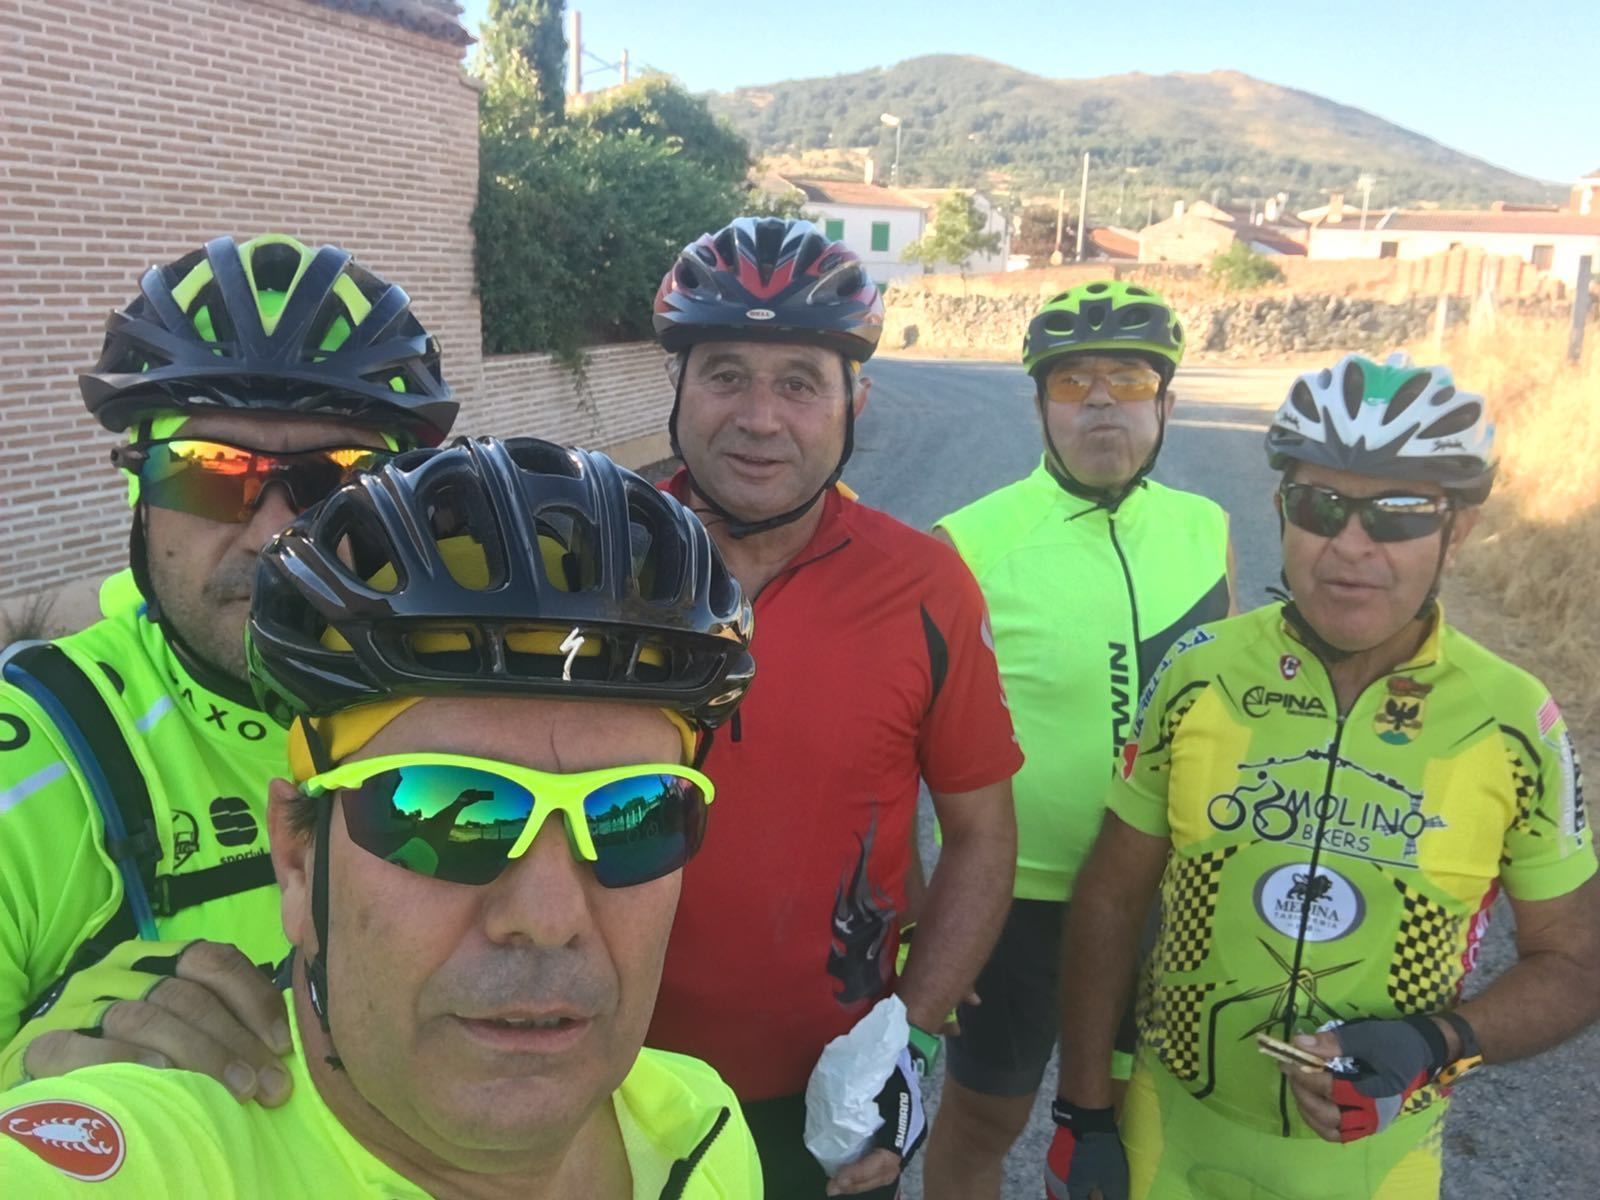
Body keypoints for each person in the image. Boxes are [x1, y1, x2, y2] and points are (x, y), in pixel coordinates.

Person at [0, 435, 764, 1197]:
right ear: (296, 862)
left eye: (634, 814)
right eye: (445, 817)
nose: (547, 918)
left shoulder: (706, 1131)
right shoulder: (150, 1164)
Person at [1046, 353, 1600, 1200]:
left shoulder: (1515, 723)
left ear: (1459, 532)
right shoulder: (1197, 674)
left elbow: (1575, 962)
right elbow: (1111, 898)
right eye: (1320, 506)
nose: (1350, 545)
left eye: (1399, 514)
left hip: (1377, 1166)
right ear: (1281, 511)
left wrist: (1436, 1042)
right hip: (1171, 1138)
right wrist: (1083, 1113)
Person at [0, 235, 456, 1100]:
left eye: (335, 482)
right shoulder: (29, 763)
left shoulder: (470, 710)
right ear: (138, 493)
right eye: (208, 473)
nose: (273, 533)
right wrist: (28, 1085)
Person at [645, 216, 1022, 1199]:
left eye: (800, 382)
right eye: (726, 374)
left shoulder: (926, 587)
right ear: (675, 385)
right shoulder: (592, 561)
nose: (760, 417)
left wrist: (913, 1039)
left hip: (827, 1106)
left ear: (856, 400)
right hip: (613, 1086)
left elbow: (983, 835)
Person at [923, 281, 1233, 1198]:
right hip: (1013, 901)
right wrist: (918, 909)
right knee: (984, 1121)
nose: (1101, 401)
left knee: (1131, 1125)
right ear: (1040, 407)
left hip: (1164, 894)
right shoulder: (968, 543)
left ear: (1167, 403)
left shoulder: (1207, 528)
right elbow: (900, 746)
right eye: (1072, 382)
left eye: (1129, 379)